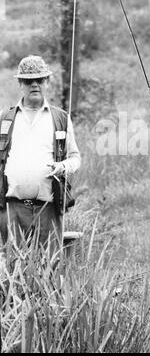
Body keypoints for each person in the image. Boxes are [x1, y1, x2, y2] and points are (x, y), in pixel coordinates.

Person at [0, 55, 81, 251]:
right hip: (12, 208)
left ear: (47, 82)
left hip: (49, 207)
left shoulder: (60, 118)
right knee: (13, 271)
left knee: (49, 271)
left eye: (39, 79)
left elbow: (75, 158)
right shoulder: (6, 119)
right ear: (20, 83)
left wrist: (62, 167)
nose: (34, 84)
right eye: (28, 80)